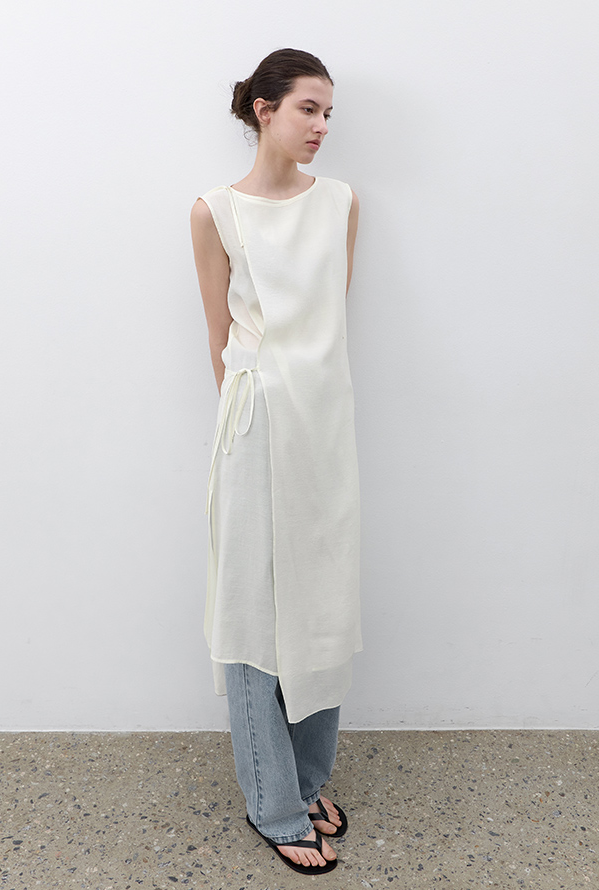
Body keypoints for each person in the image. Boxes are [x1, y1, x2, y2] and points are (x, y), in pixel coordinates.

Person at [190, 48, 362, 876]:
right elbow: (220, 339)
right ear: (264, 110)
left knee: (323, 596)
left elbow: (328, 321)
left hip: (325, 422)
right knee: (256, 612)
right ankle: (274, 802)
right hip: (257, 423)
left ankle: (307, 776)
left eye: (329, 113)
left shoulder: (341, 203)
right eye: (308, 109)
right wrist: (256, 414)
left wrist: (309, 403)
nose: (322, 126)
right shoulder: (215, 212)